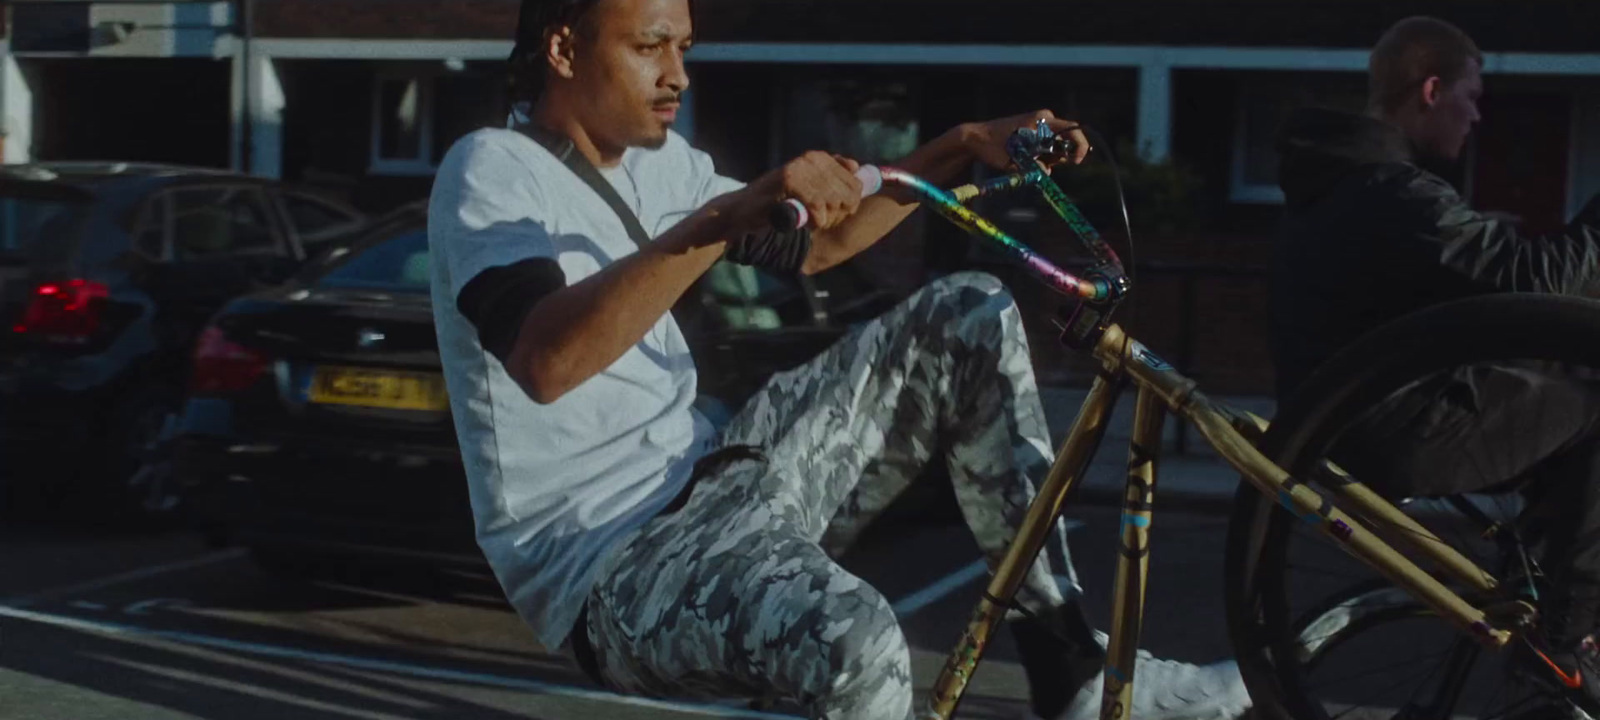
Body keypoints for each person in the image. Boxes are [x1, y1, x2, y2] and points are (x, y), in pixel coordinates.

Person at [426, 0, 1253, 718]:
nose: (676, 73)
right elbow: (545, 361)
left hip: (718, 474)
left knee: (965, 310)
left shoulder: (665, 166)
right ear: (563, 48)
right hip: (607, 568)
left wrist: (961, 144)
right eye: (648, 47)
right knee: (859, 643)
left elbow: (827, 245)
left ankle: (1068, 668)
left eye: (684, 47)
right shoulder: (493, 171)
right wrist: (713, 222)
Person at [1270, 14, 1600, 704]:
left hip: (1351, 420)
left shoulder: (1342, 182)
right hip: (1397, 428)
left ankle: (1541, 573)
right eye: (1471, 97)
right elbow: (1523, 275)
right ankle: (1564, 637)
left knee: (1563, 380)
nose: (1476, 116)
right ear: (1430, 89)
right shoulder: (1391, 190)